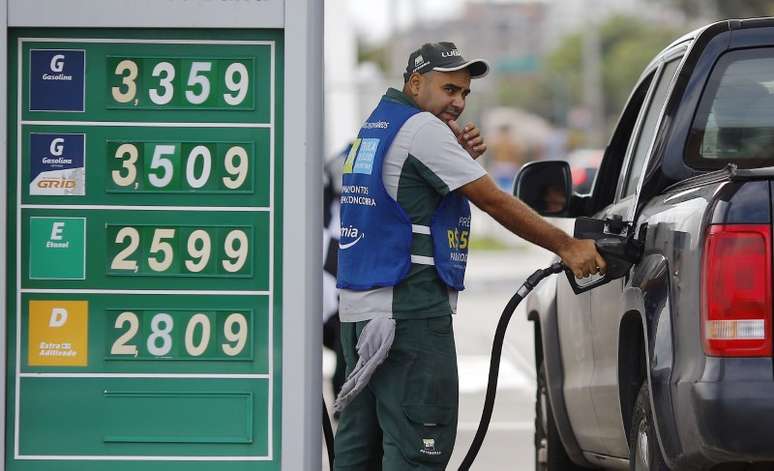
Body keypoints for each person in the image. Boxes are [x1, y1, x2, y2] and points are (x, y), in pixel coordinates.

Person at [333, 42, 605, 470]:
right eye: (449, 90)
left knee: (359, 453)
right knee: (417, 451)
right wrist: (567, 246)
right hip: (409, 316)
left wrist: (457, 157)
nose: (458, 102)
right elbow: (493, 201)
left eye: (464, 93)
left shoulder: (379, 124)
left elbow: (408, 198)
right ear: (416, 83)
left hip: (361, 314)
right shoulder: (423, 130)